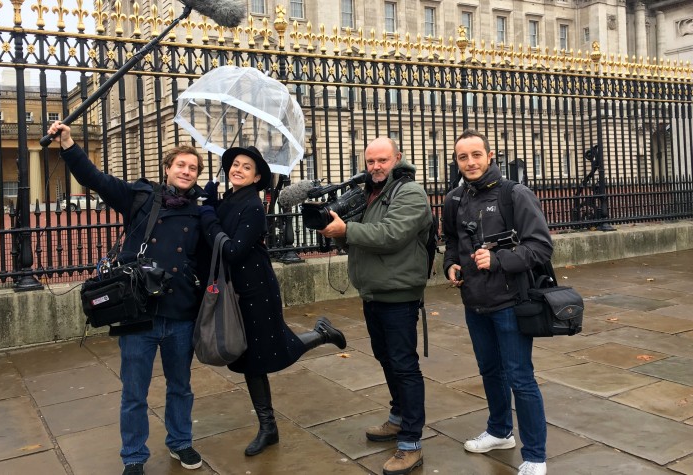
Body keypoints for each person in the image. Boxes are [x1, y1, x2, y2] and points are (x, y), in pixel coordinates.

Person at [47, 121, 209, 475]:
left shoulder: (201, 211)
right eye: (181, 165)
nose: (187, 171)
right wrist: (69, 145)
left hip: (181, 313)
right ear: (167, 168)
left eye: (193, 168)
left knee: (181, 387)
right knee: (134, 392)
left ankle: (180, 441)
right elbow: (96, 179)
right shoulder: (141, 198)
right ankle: (134, 456)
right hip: (139, 314)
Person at [198, 145, 347, 457]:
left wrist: (209, 216)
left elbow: (233, 250)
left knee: (266, 354)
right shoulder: (229, 199)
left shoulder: (252, 206)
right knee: (250, 358)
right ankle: (269, 427)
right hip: (236, 289)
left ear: (256, 178)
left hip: (256, 291)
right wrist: (210, 201)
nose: (238, 169)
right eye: (235, 164)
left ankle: (320, 336)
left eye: (246, 167)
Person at [318, 137, 432, 475]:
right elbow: (361, 238)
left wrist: (348, 229)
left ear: (398, 158)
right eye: (370, 161)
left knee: (404, 365)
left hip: (399, 294)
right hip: (373, 292)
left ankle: (411, 444)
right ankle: (398, 418)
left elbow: (391, 234)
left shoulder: (410, 192)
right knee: (387, 359)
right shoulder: (372, 193)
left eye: (382, 160)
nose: (376, 167)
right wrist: (337, 232)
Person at [442, 129, 552, 475]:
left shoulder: (513, 194)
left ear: (490, 156)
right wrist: (451, 264)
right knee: (490, 371)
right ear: (457, 161)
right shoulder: (454, 199)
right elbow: (451, 242)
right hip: (475, 302)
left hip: (510, 302)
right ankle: (500, 431)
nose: (470, 162)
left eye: (476, 155)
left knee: (520, 377)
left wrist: (499, 259)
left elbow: (541, 247)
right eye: (463, 157)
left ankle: (535, 456)